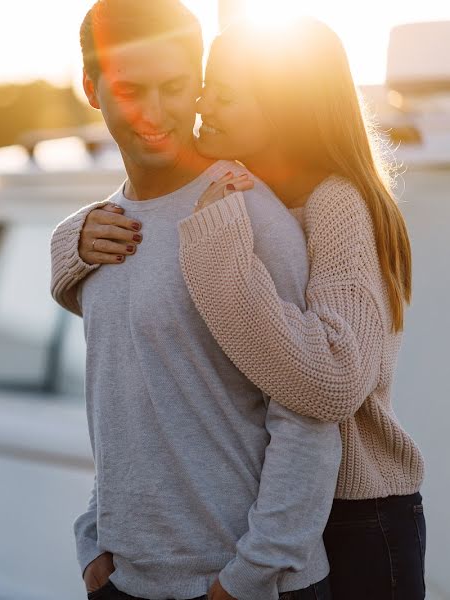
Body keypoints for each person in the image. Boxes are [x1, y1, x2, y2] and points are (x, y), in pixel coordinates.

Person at [52, 14, 427, 600]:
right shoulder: (253, 197)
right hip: (296, 506)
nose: (201, 106)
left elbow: (330, 384)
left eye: (219, 94)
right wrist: (69, 239)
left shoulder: (330, 207)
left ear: (282, 111)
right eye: (205, 89)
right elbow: (151, 331)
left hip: (363, 510)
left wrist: (217, 246)